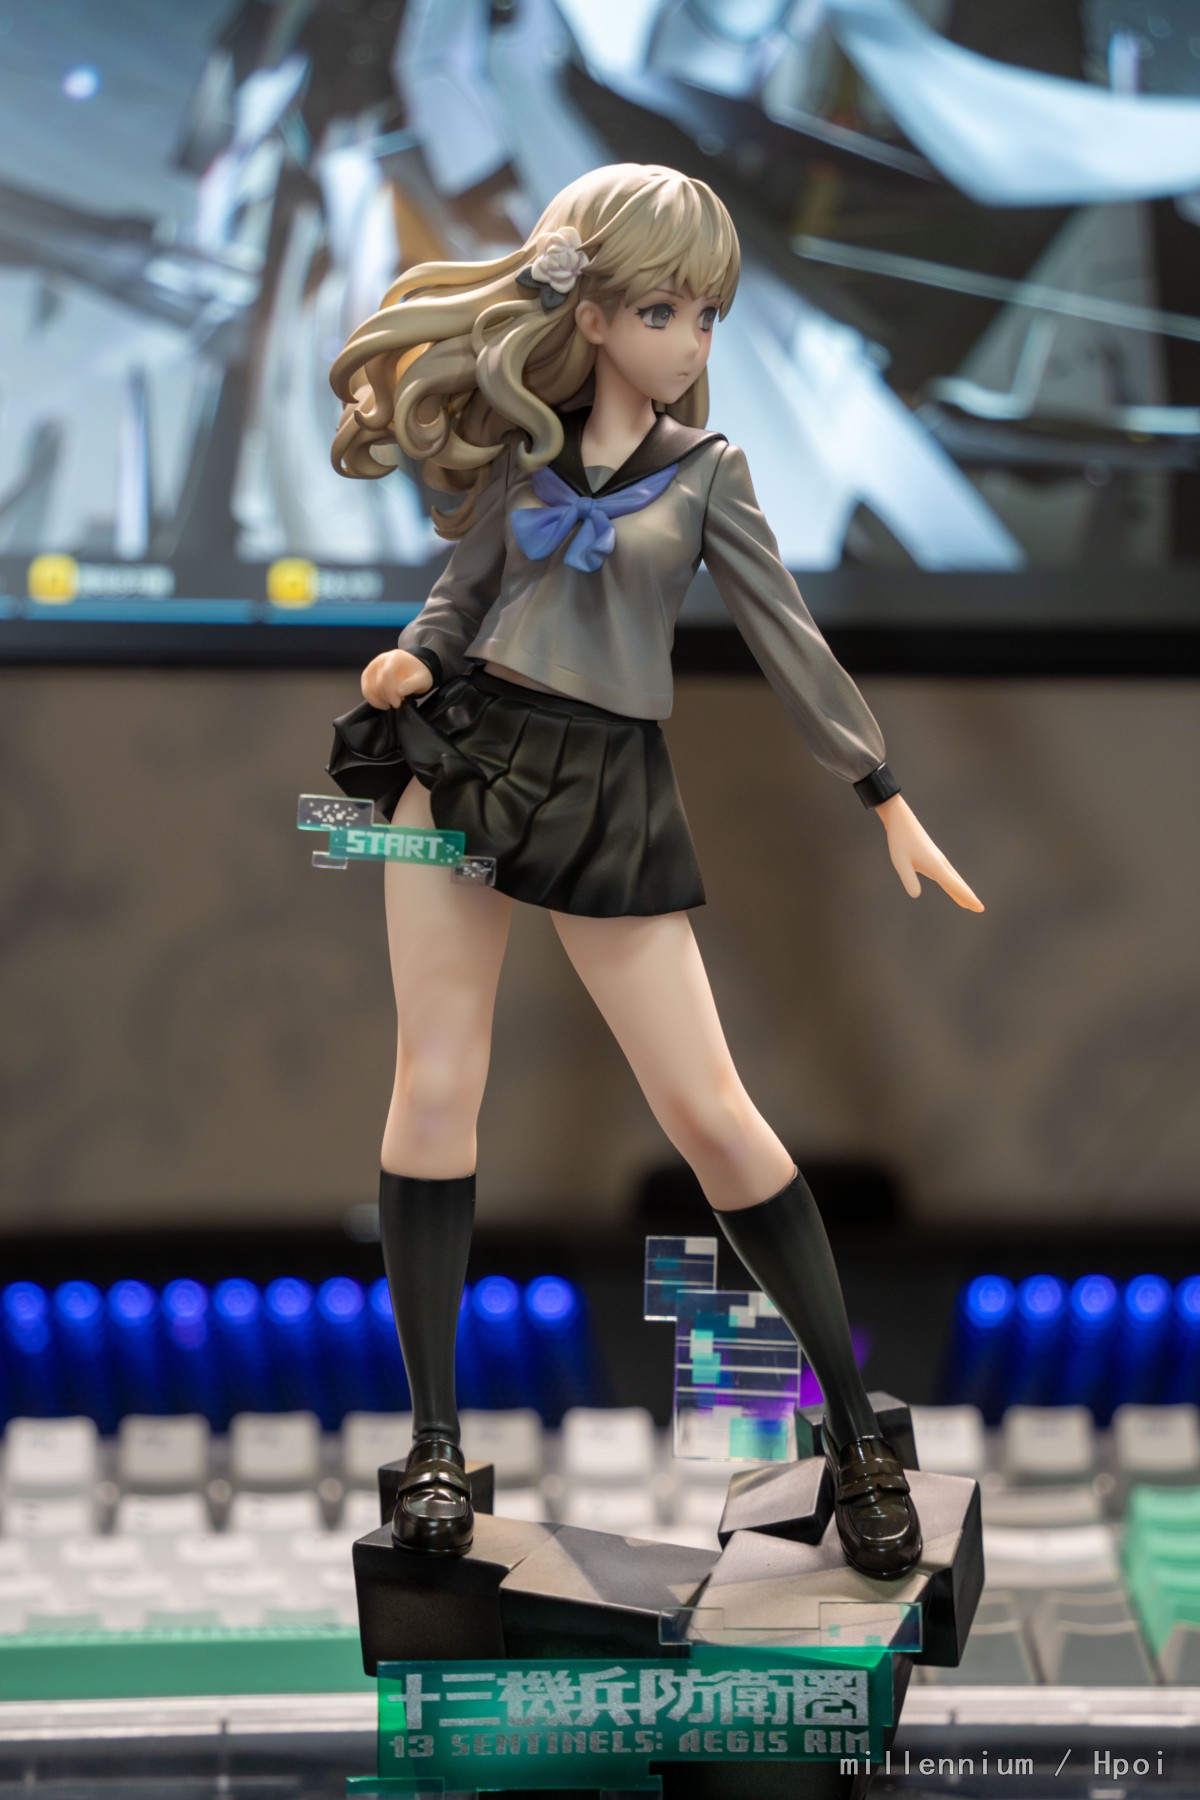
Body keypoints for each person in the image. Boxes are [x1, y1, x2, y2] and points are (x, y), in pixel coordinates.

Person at [326, 163, 982, 1579]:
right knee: (434, 1085)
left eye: (705, 315)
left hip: (608, 783)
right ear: (595, 315)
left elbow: (790, 640)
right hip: (464, 760)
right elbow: (458, 600)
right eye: (665, 311)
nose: (691, 341)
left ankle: (855, 1437)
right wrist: (411, 662)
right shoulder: (521, 453)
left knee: (714, 1114)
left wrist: (882, 790)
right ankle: (435, 1443)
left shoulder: (710, 472)